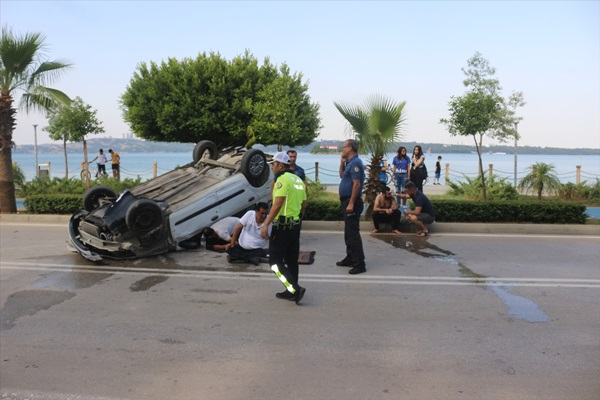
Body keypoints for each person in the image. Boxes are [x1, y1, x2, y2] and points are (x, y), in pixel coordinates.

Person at [261, 152, 307, 304]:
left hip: (282, 226)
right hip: (295, 225)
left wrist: (266, 224)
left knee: (274, 262)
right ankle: (291, 291)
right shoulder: (298, 179)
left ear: (281, 165)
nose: (272, 167)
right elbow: (304, 203)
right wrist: (298, 218)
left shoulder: (282, 180)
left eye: (273, 164)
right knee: (291, 260)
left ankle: (294, 288)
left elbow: (278, 203)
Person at [336, 139, 366, 274]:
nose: (342, 149)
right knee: (348, 233)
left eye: (344, 147)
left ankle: (359, 264)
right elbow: (342, 176)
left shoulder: (356, 163)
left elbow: (357, 184)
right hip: (346, 200)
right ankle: (350, 257)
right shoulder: (349, 163)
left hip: (351, 201)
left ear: (350, 149)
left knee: (353, 234)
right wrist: (342, 164)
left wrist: (351, 203)